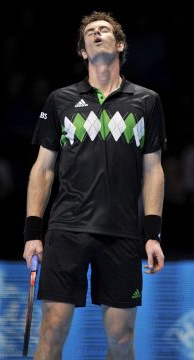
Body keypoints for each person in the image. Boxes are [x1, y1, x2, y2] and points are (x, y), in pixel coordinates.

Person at [23, 11, 166, 360]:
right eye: (90, 32)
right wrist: (32, 232)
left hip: (121, 233)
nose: (97, 33)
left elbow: (154, 171)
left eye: (104, 30)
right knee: (52, 328)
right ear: (83, 51)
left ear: (119, 45)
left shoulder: (146, 102)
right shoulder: (60, 101)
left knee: (121, 337)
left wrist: (152, 233)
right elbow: (43, 169)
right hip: (66, 229)